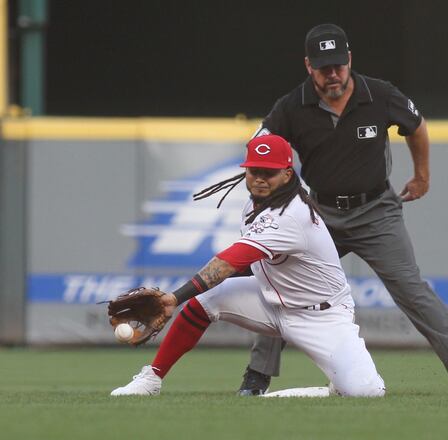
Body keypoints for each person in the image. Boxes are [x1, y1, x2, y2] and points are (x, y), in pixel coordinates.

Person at [239, 23, 448, 396]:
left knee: (411, 289)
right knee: (284, 285)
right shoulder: (293, 105)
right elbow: (261, 146)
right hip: (319, 213)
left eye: (338, 64)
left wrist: (422, 176)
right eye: (324, 67)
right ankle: (257, 376)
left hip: (376, 211)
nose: (333, 73)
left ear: (349, 59)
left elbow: (416, 127)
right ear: (309, 66)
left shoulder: (379, 94)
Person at [110, 135, 385, 397]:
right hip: (272, 300)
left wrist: (174, 298)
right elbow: (243, 264)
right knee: (205, 302)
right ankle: (151, 379)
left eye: (270, 172)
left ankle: (334, 388)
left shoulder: (290, 215)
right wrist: (189, 297)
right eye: (255, 171)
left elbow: (231, 261)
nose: (260, 179)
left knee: (366, 391)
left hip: (321, 315)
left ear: (287, 174)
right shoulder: (256, 204)